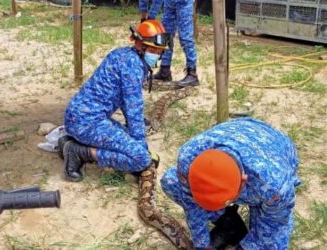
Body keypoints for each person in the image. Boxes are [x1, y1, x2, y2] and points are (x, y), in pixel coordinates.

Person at [160, 118, 301, 249]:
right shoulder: (188, 158)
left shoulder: (274, 185)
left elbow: (273, 224)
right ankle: (229, 224)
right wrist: (202, 244)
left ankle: (248, 221)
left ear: (244, 180)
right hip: (236, 131)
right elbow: (192, 205)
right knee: (171, 182)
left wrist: (247, 247)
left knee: (272, 242)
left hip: (274, 146)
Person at [59, 20, 169, 182]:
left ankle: (71, 142)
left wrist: (135, 137)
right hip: (87, 122)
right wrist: (140, 146)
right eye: (153, 49)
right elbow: (134, 108)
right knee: (141, 159)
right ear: (139, 45)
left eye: (159, 51)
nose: (156, 55)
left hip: (81, 117)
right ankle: (78, 152)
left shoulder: (123, 54)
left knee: (131, 144)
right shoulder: (132, 67)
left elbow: (125, 102)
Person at [139, 0, 199, 88]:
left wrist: (150, 17)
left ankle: (192, 73)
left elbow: (157, 1)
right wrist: (144, 19)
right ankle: (165, 70)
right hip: (169, 3)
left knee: (185, 37)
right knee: (165, 36)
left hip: (183, 2)